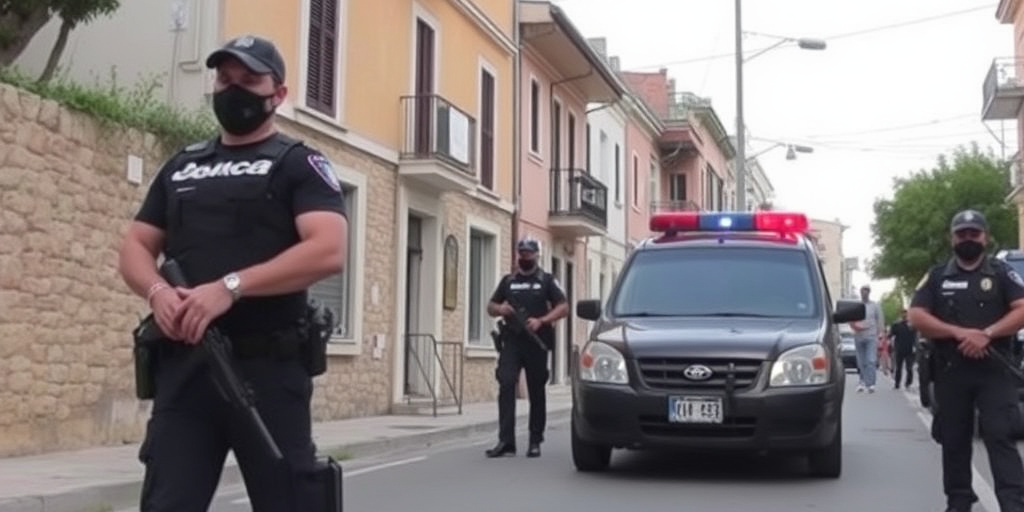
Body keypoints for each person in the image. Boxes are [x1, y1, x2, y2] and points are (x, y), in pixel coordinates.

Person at [117, 34, 349, 511]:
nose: (233, 89)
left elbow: (328, 250)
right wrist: (158, 291)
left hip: (267, 370)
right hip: (185, 368)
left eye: (249, 80)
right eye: (225, 79)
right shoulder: (182, 166)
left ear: (278, 94)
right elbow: (137, 245)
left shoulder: (299, 163)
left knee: (290, 500)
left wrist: (231, 288)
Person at [908, 209, 1024, 512]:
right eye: (962, 234)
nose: (968, 239)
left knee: (1001, 437)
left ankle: (1014, 505)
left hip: (994, 370)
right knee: (954, 440)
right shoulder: (936, 277)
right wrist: (958, 332)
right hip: (951, 370)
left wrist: (986, 333)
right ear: (952, 238)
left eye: (974, 233)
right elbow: (916, 315)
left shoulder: (1001, 273)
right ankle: (958, 503)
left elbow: (1022, 309)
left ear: (985, 237)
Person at [484, 238, 569, 458]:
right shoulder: (508, 281)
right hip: (512, 340)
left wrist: (542, 320)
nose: (524, 256)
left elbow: (564, 307)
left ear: (537, 255)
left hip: (536, 342)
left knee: (536, 391)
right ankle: (506, 441)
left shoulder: (546, 280)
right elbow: (490, 306)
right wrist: (501, 308)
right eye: (521, 252)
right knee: (506, 382)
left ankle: (535, 440)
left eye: (528, 253)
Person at [851, 284, 886, 393]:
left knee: (870, 360)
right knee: (861, 361)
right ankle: (862, 382)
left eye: (866, 291)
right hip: (859, 336)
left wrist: (881, 334)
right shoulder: (856, 305)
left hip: (871, 336)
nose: (864, 293)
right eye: (863, 291)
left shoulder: (875, 306)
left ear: (869, 293)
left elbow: (880, 320)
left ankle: (871, 384)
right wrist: (854, 326)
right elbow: (850, 319)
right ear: (860, 292)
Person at [890, 309, 917, 390]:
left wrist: (915, 346)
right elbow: (892, 334)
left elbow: (915, 336)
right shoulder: (897, 325)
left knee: (909, 368)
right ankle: (897, 384)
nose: (904, 316)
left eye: (906, 314)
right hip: (899, 349)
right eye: (903, 314)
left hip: (909, 349)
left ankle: (908, 383)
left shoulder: (912, 325)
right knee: (898, 367)